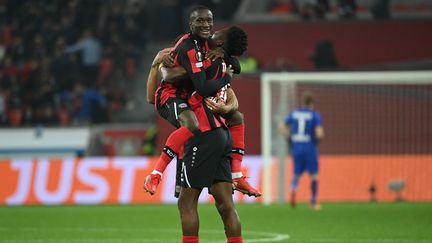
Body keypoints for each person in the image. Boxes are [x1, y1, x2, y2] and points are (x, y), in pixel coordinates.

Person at [149, 6, 243, 243]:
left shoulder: (209, 47)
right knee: (224, 204)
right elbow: (168, 78)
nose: (206, 26)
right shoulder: (188, 48)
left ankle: (157, 171)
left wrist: (223, 59)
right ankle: (238, 173)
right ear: (190, 24)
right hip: (218, 132)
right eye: (200, 21)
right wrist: (225, 75)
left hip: (205, 136)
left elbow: (233, 68)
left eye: (209, 21)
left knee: (187, 202)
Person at [144, 27, 261, 197]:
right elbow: (160, 87)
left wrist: (227, 106)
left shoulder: (215, 58)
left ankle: (236, 176)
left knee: (236, 117)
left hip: (203, 127)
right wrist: (158, 66)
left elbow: (231, 86)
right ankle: (156, 174)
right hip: (189, 117)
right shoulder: (183, 55)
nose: (210, 34)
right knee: (190, 201)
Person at [278, 92, 324, 210]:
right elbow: (319, 133)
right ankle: (313, 202)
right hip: (310, 147)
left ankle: (293, 192)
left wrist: (289, 137)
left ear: (303, 102)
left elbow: (281, 126)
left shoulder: (294, 113)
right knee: (314, 175)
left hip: (296, 146)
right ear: (312, 103)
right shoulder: (315, 115)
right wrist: (319, 138)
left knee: (297, 174)